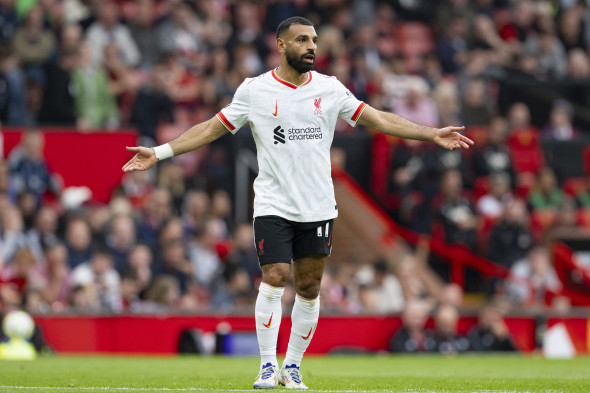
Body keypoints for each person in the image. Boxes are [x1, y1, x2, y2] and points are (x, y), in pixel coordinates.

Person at [122, 16, 473, 390]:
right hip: (273, 203)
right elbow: (211, 127)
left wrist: (431, 133)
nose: (311, 47)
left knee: (308, 288)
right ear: (281, 45)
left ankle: (292, 366)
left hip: (318, 206)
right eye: (302, 40)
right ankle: (267, 366)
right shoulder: (255, 91)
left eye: (314, 40)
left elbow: (378, 119)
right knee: (274, 278)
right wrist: (158, 153)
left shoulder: (330, 89)